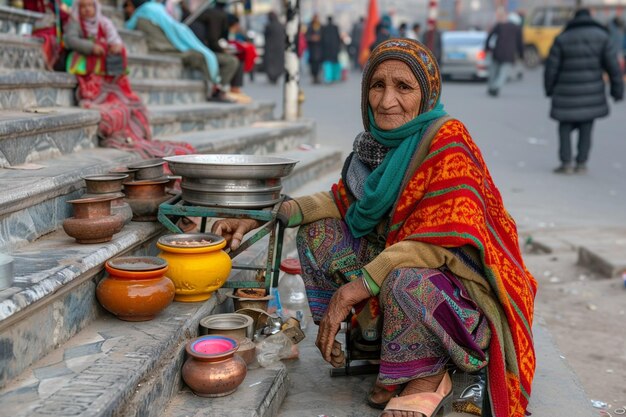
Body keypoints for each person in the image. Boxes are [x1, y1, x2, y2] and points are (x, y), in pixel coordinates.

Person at [212, 38, 537, 417]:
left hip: (462, 298)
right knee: (320, 234)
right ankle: (374, 341)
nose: (386, 101)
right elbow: (341, 200)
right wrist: (266, 214)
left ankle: (429, 372)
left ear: (426, 95)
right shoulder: (374, 147)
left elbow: (436, 243)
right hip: (405, 275)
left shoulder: (448, 142)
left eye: (403, 87)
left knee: (404, 278)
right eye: (377, 86)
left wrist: (351, 291)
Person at [64, 0, 195, 158]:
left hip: (102, 67)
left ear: (96, 7)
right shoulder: (75, 22)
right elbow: (70, 40)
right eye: (83, 6)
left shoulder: (103, 22)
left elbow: (115, 38)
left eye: (90, 6)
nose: (86, 9)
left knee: (133, 104)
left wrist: (115, 46)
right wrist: (91, 47)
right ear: (78, 8)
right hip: (84, 65)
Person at [544, 8, 624, 174]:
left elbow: (551, 68)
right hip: (591, 92)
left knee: (564, 126)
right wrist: (617, 90)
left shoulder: (562, 38)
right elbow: (613, 67)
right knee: (586, 127)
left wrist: (549, 88)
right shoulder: (602, 37)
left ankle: (566, 162)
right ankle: (581, 163)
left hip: (565, 91)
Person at [124, 0, 231, 102]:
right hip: (165, 50)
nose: (127, 10)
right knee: (200, 56)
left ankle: (214, 88)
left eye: (128, 6)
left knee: (207, 56)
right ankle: (213, 90)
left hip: (171, 47)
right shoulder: (145, 15)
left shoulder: (148, 13)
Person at [188, 0, 245, 101]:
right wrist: (224, 50)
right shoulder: (218, 16)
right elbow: (213, 40)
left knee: (236, 60)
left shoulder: (209, 12)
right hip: (197, 50)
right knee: (232, 61)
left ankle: (231, 89)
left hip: (198, 47)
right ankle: (217, 91)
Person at [485, 12, 523, 97]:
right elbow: (520, 44)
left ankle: (491, 87)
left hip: (497, 52)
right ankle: (496, 87)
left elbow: (490, 36)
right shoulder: (517, 29)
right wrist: (521, 55)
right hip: (509, 55)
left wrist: (487, 48)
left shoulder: (500, 25)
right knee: (503, 73)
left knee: (493, 71)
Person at [263, 11, 286, 84]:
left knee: (271, 63)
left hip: (270, 48)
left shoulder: (268, 26)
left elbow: (265, 36)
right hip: (279, 47)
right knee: (278, 62)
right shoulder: (281, 25)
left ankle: (272, 76)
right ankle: (275, 76)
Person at [320, 16, 342, 83]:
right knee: (335, 62)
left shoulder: (324, 27)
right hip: (334, 48)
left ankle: (328, 78)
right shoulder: (335, 27)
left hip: (326, 48)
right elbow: (338, 38)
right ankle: (335, 77)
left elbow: (322, 38)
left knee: (327, 63)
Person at [306, 14, 323, 84]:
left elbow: (323, 36)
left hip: (319, 49)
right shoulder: (310, 26)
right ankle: (314, 77)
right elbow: (307, 36)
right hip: (312, 49)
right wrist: (312, 38)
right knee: (313, 64)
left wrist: (319, 38)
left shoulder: (320, 27)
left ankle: (317, 77)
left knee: (318, 64)